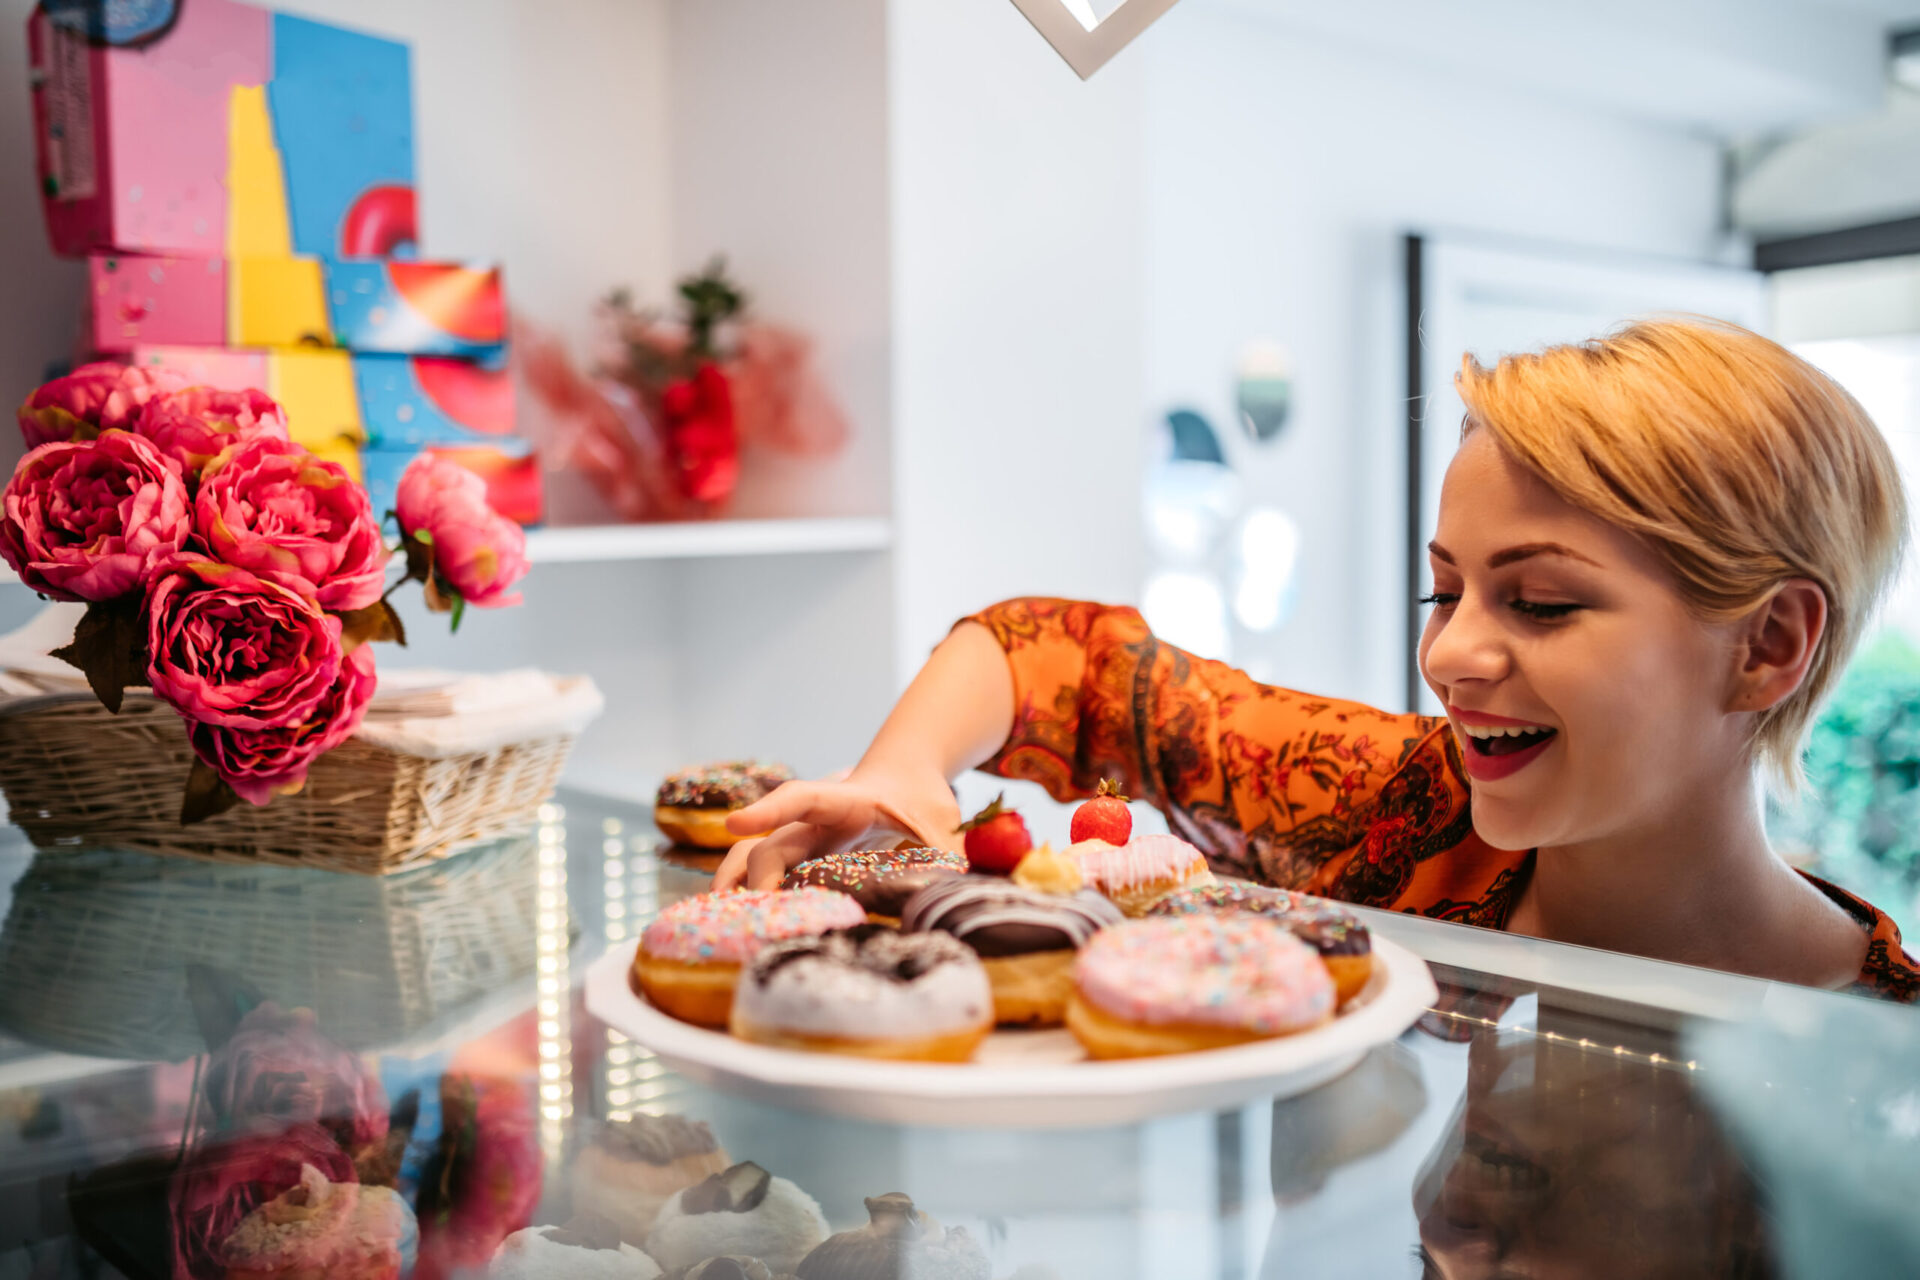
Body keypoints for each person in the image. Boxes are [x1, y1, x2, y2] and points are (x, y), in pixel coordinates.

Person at [716, 319, 1920, 999]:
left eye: (1542, 603)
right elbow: (1060, 654)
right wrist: (905, 774)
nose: (1451, 653)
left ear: (1770, 643)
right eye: (1441, 589)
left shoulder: (1880, 1051)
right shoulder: (1396, 803)